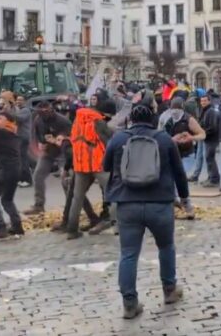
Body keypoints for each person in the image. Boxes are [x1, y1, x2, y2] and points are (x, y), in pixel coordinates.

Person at [103, 103, 190, 319]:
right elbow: (179, 173)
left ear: (130, 119)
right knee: (166, 247)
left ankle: (130, 304)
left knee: (129, 254)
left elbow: (105, 166)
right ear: (153, 118)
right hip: (159, 202)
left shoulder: (118, 138)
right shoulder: (164, 139)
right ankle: (170, 290)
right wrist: (185, 199)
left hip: (127, 203)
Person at [66, 100, 118, 239]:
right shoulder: (98, 122)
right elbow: (108, 141)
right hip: (97, 163)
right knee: (112, 193)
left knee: (77, 197)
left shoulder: (77, 121)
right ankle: (117, 225)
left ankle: (72, 230)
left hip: (80, 164)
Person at [24, 100, 73, 215]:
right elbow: (35, 135)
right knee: (37, 176)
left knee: (65, 179)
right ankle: (39, 205)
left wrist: (60, 139)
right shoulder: (38, 120)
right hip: (48, 152)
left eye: (45, 112)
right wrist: (40, 144)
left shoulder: (62, 120)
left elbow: (72, 135)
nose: (43, 115)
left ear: (51, 110)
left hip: (63, 153)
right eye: (40, 112)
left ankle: (70, 206)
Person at [0, 111, 24, 241]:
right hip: (14, 170)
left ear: (7, 122)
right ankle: (17, 227)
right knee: (7, 200)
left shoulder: (1, 133)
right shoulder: (11, 134)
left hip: (6, 170)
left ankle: (0, 228)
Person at [162, 97, 205, 175]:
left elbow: (202, 134)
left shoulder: (189, 119)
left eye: (177, 111)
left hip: (187, 154)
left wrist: (191, 138)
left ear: (182, 109)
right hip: (172, 154)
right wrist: (172, 139)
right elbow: (162, 137)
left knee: (180, 176)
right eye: (173, 111)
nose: (175, 114)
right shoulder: (167, 120)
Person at [196, 94, 220, 187]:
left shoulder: (211, 111)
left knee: (210, 158)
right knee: (209, 158)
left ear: (209, 101)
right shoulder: (205, 111)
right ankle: (211, 177)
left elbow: (213, 127)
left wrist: (204, 132)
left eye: (205, 101)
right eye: (202, 101)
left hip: (211, 138)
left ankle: (214, 179)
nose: (203, 103)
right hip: (207, 138)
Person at [14, 95, 33, 187]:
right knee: (22, 158)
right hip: (20, 137)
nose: (18, 101)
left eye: (21, 100)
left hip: (23, 137)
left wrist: (11, 112)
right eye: (17, 100)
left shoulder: (25, 110)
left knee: (23, 158)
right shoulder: (20, 110)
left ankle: (27, 180)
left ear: (25, 101)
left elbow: (19, 119)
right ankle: (23, 178)